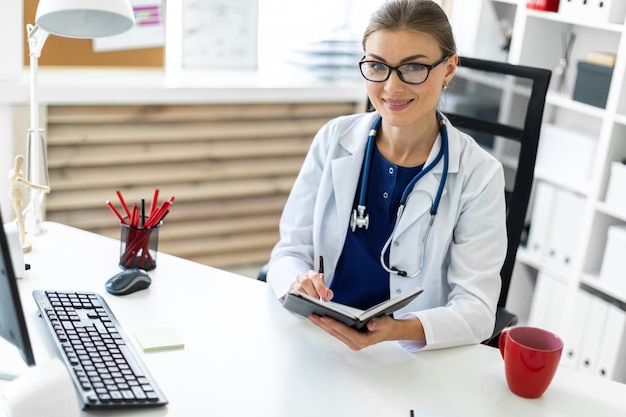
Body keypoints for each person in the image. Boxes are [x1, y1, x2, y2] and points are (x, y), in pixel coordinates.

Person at [266, 0, 507, 352]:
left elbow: (479, 310)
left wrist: (398, 330)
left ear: (449, 68)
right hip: (317, 335)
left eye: (413, 68)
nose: (392, 87)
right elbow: (289, 251)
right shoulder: (334, 139)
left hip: (406, 352)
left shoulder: (479, 175)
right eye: (377, 66)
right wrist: (297, 282)